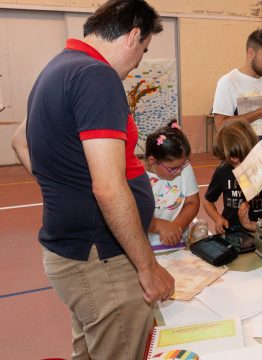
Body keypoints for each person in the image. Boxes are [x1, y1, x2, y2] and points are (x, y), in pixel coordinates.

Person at [10, 1, 175, 359]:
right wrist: (148, 268)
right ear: (134, 36)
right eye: (143, 52)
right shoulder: (96, 76)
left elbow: (20, 141)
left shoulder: (59, 68)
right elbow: (108, 186)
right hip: (101, 257)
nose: (136, 66)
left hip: (75, 250)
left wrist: (64, 190)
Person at [203, 119, 262, 233]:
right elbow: (208, 202)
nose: (237, 166)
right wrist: (218, 219)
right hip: (231, 231)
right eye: (231, 162)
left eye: (242, 159)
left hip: (260, 230)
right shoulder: (222, 171)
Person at [145, 122, 200, 249]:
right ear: (152, 160)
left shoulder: (183, 168)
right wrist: (159, 225)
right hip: (146, 246)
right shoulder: (136, 177)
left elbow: (192, 203)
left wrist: (176, 227)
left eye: (184, 164)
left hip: (178, 242)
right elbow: (132, 218)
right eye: (173, 168)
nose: (180, 171)